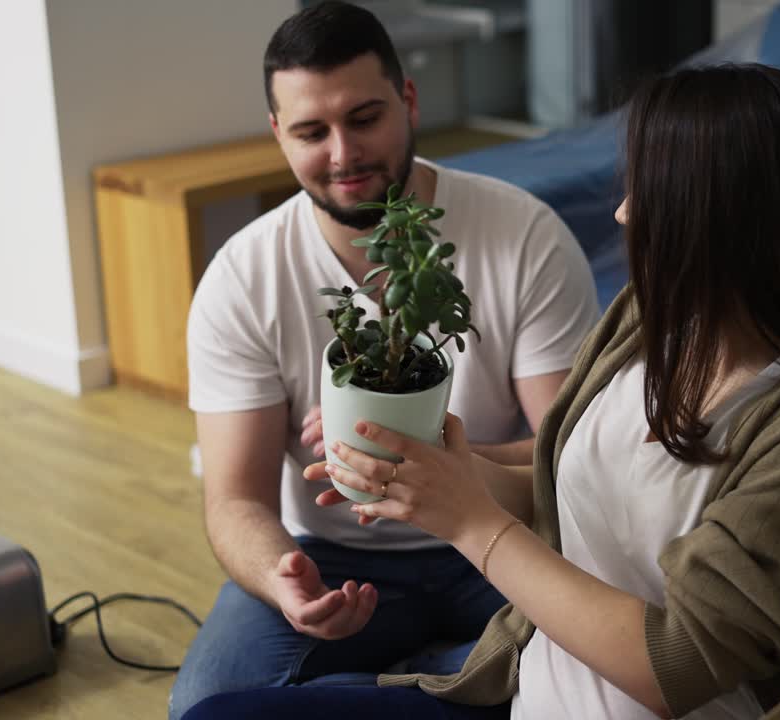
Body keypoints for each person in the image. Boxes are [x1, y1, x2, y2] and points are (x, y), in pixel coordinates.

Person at [286, 64, 780, 720]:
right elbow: (568, 491)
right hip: (526, 690)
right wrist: (427, 479)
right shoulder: (649, 321)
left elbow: (678, 664)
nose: (624, 210)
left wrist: (469, 522)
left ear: (725, 213)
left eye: (648, 188)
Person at [168, 2, 600, 718]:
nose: (343, 155)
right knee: (208, 705)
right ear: (279, 135)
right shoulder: (243, 276)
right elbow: (235, 500)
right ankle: (436, 680)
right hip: (336, 556)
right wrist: (285, 581)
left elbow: (570, 449)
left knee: (586, 682)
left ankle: (416, 682)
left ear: (408, 100)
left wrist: (437, 467)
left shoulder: (522, 235)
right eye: (312, 132)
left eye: (364, 118)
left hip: (501, 538)